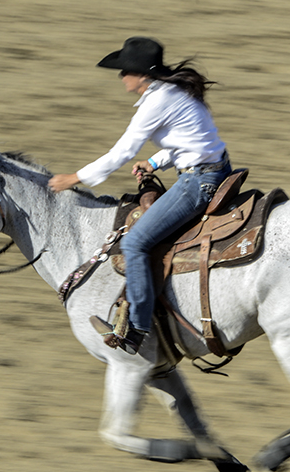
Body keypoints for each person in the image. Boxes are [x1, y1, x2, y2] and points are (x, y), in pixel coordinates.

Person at [49, 36, 232, 355]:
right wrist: (155, 161)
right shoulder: (174, 93)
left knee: (134, 243)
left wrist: (75, 178)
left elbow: (122, 151)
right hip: (212, 169)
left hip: (199, 181)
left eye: (125, 71)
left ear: (142, 74)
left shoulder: (156, 101)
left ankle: (137, 327)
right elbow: (193, 139)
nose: (121, 76)